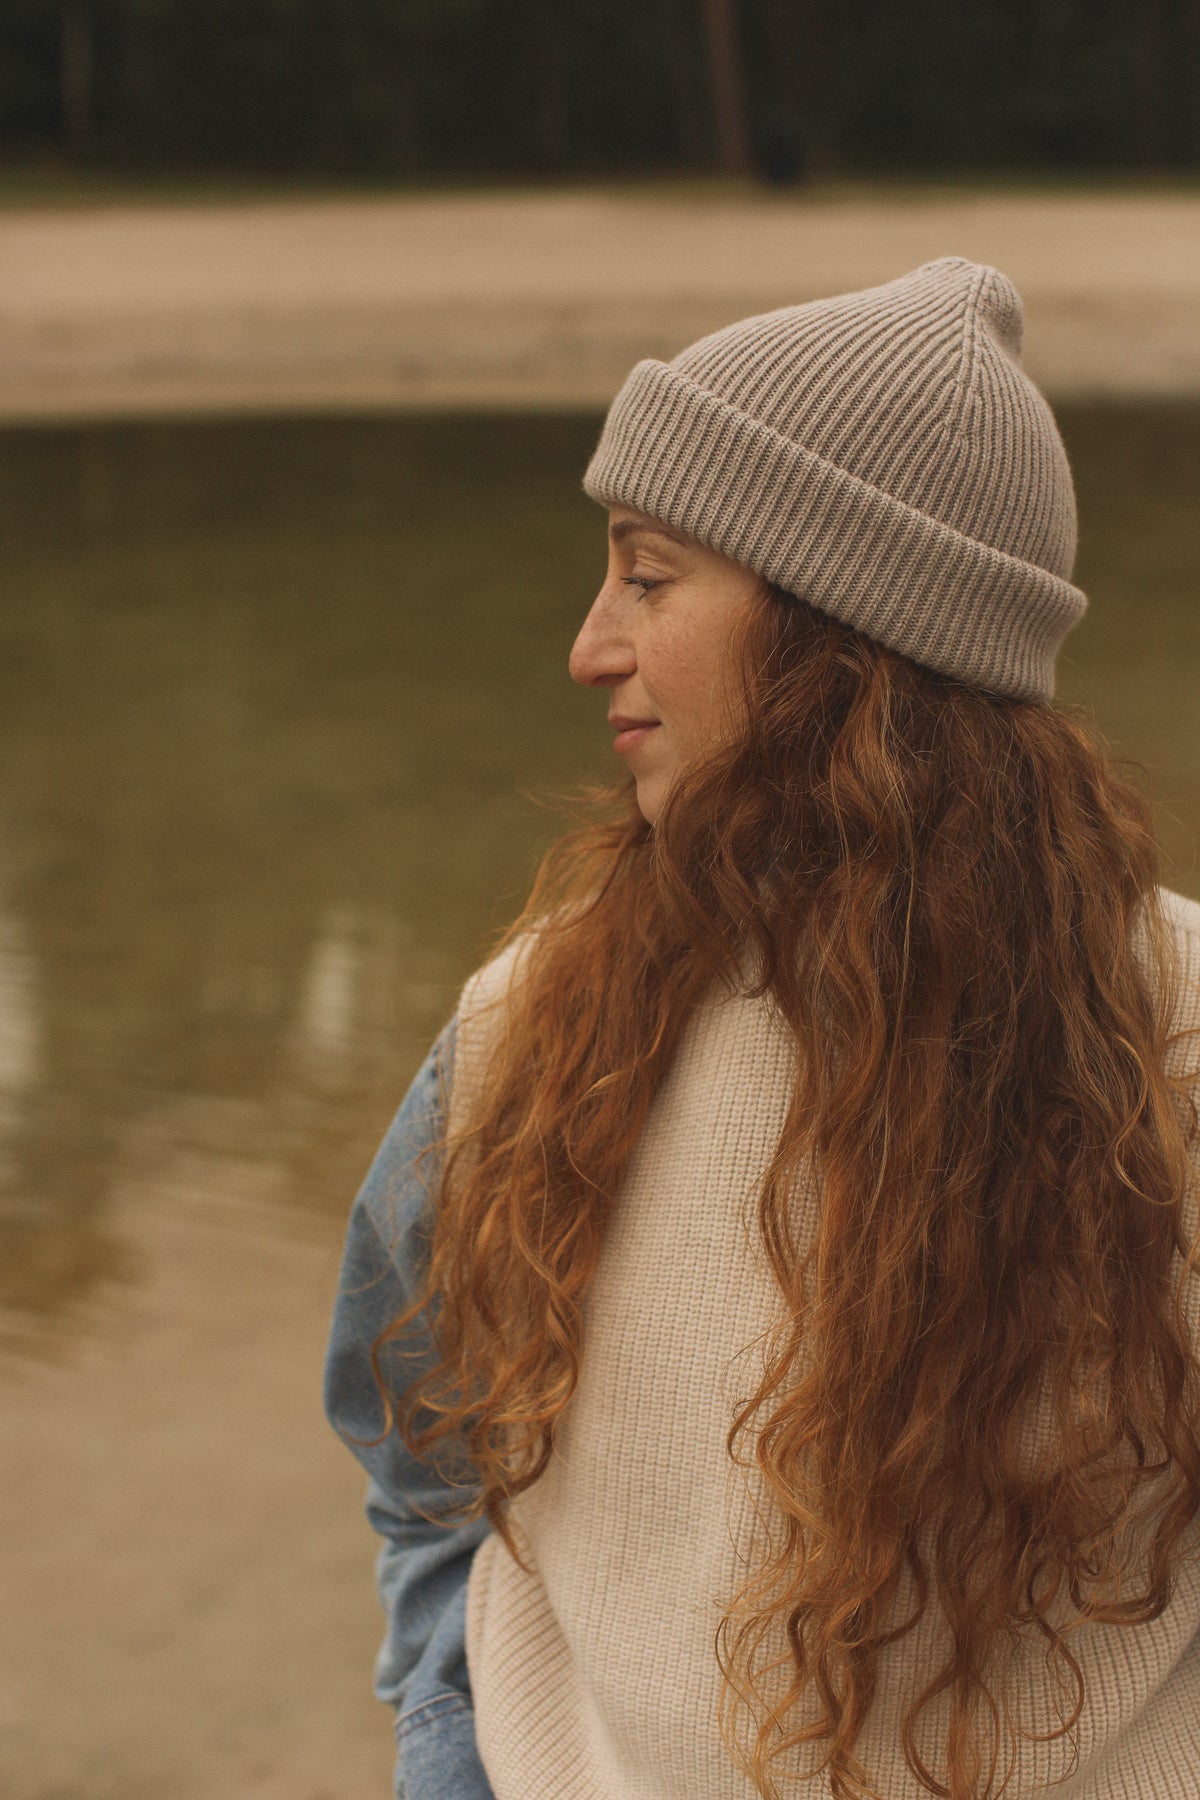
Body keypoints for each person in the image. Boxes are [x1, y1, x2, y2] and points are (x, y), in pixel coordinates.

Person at [323, 258, 1200, 1800]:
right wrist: (452, 1744)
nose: (590, 645)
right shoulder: (536, 1019)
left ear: (838, 632)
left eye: (648, 578)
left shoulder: (1175, 1041)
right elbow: (420, 1454)